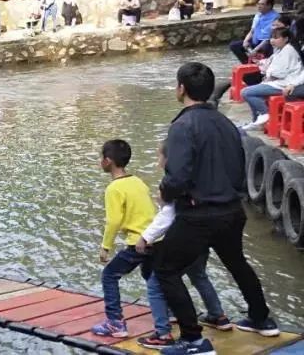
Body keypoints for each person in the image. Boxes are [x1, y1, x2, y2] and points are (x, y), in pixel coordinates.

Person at [153, 63, 279, 355]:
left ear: (181, 88)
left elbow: (178, 176)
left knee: (165, 269)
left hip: (198, 214)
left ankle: (193, 339)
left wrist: (165, 192)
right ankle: (262, 319)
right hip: (232, 210)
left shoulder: (182, 126)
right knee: (237, 262)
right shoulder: (226, 123)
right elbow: (238, 167)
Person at [134, 142, 232, 349]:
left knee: (155, 282)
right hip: (203, 237)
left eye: (160, 157)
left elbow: (169, 215)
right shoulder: (200, 177)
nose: (158, 162)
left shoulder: (173, 181)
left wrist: (146, 236)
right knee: (199, 276)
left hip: (184, 237)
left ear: (170, 159)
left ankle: (162, 332)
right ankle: (218, 315)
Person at [88, 140, 158, 339]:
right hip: (156, 238)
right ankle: (169, 311)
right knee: (151, 277)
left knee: (109, 275)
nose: (100, 162)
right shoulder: (138, 181)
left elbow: (113, 220)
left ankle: (115, 322)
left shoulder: (114, 188)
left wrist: (105, 247)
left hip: (138, 242)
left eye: (101, 158)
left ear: (108, 161)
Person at [239, 27, 304, 130]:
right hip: (276, 82)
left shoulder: (288, 50)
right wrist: (263, 65)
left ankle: (265, 114)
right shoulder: (279, 50)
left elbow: (280, 73)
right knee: (251, 93)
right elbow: (272, 64)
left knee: (246, 92)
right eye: (271, 38)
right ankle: (256, 121)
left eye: (276, 38)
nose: (272, 40)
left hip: (284, 83)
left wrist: (268, 75)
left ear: (286, 39)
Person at [229, 0, 280, 64]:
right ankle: (247, 63)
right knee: (234, 45)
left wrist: (256, 50)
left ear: (269, 6)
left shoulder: (275, 17)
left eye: (262, 4)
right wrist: (245, 41)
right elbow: (252, 30)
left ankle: (265, 65)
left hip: (266, 43)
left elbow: (268, 38)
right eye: (258, 4)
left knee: (268, 48)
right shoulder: (258, 15)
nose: (259, 6)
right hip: (255, 40)